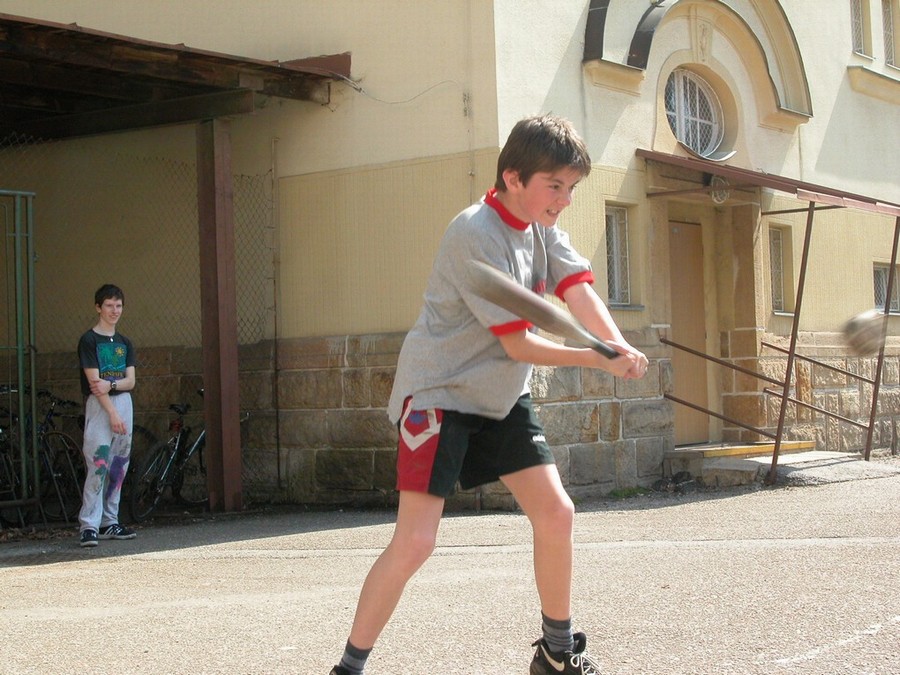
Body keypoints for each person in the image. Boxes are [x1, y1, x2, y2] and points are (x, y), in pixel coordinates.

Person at [329, 114, 649, 675]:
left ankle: (555, 653)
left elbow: (577, 290)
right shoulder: (474, 233)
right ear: (513, 177)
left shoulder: (542, 226)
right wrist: (595, 357)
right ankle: (349, 669)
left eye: (572, 187)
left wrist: (616, 343)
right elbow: (519, 343)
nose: (565, 199)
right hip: (439, 395)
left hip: (499, 396)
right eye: (555, 185)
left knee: (556, 513)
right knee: (416, 542)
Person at [76, 283, 138, 548]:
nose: (114, 310)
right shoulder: (89, 340)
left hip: (123, 403)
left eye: (118, 305)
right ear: (98, 307)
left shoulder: (125, 342)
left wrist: (111, 384)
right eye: (109, 305)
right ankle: (89, 525)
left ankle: (109, 521)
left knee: (118, 465)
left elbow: (130, 381)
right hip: (101, 408)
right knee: (99, 464)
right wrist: (112, 412)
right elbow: (95, 384)